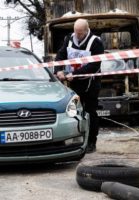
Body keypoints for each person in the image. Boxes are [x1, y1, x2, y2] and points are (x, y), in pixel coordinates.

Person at [54, 19, 104, 153]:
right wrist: (58, 69)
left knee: (90, 112)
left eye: (80, 33)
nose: (78, 35)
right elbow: (61, 55)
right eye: (76, 32)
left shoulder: (96, 42)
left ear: (86, 30)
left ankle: (92, 142)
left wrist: (75, 73)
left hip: (91, 83)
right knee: (73, 111)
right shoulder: (69, 39)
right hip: (74, 83)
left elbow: (94, 65)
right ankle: (73, 139)